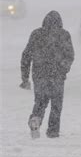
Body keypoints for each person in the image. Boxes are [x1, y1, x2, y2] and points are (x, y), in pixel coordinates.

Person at [20, 10, 75, 138]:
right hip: (57, 75)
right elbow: (70, 55)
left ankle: (36, 118)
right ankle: (53, 131)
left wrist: (25, 77)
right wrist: (63, 69)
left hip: (39, 75)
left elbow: (26, 56)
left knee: (40, 102)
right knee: (56, 105)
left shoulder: (36, 34)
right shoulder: (64, 35)